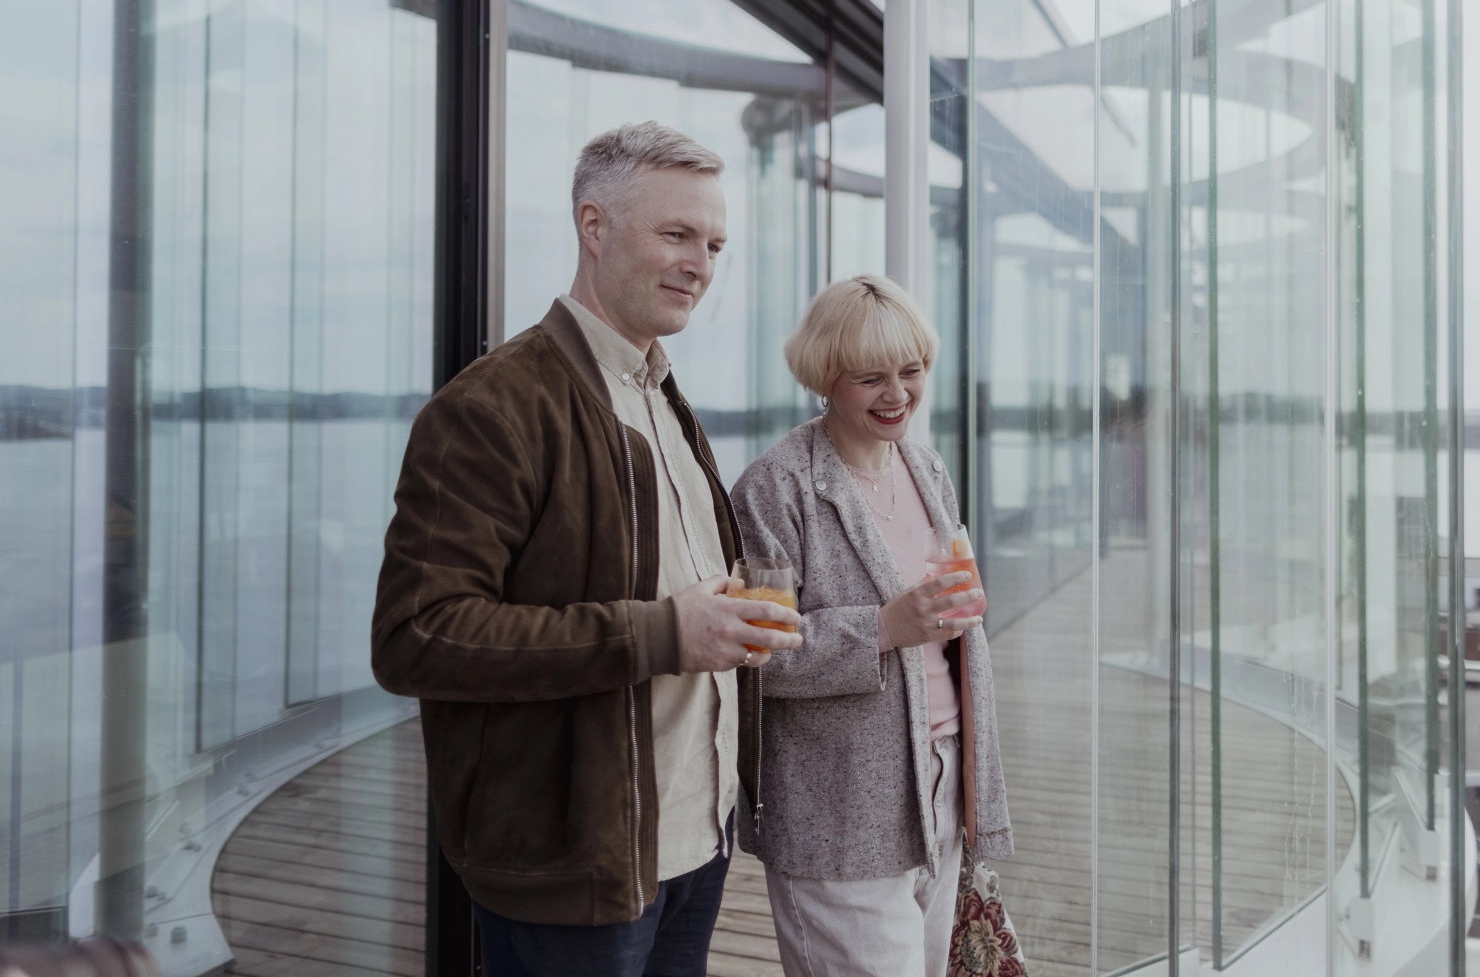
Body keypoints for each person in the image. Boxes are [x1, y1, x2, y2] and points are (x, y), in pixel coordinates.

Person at [371, 122, 802, 977]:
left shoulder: (661, 393)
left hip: (695, 838)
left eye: (714, 243)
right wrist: (662, 634)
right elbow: (416, 635)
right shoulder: (491, 409)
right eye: (676, 234)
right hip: (574, 866)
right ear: (594, 227)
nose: (701, 264)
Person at [730, 274, 1013, 977]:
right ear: (826, 377)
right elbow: (754, 654)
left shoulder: (926, 467)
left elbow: (946, 621)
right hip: (840, 811)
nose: (898, 395)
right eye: (871, 378)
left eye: (911, 372)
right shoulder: (775, 489)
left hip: (941, 785)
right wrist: (884, 627)